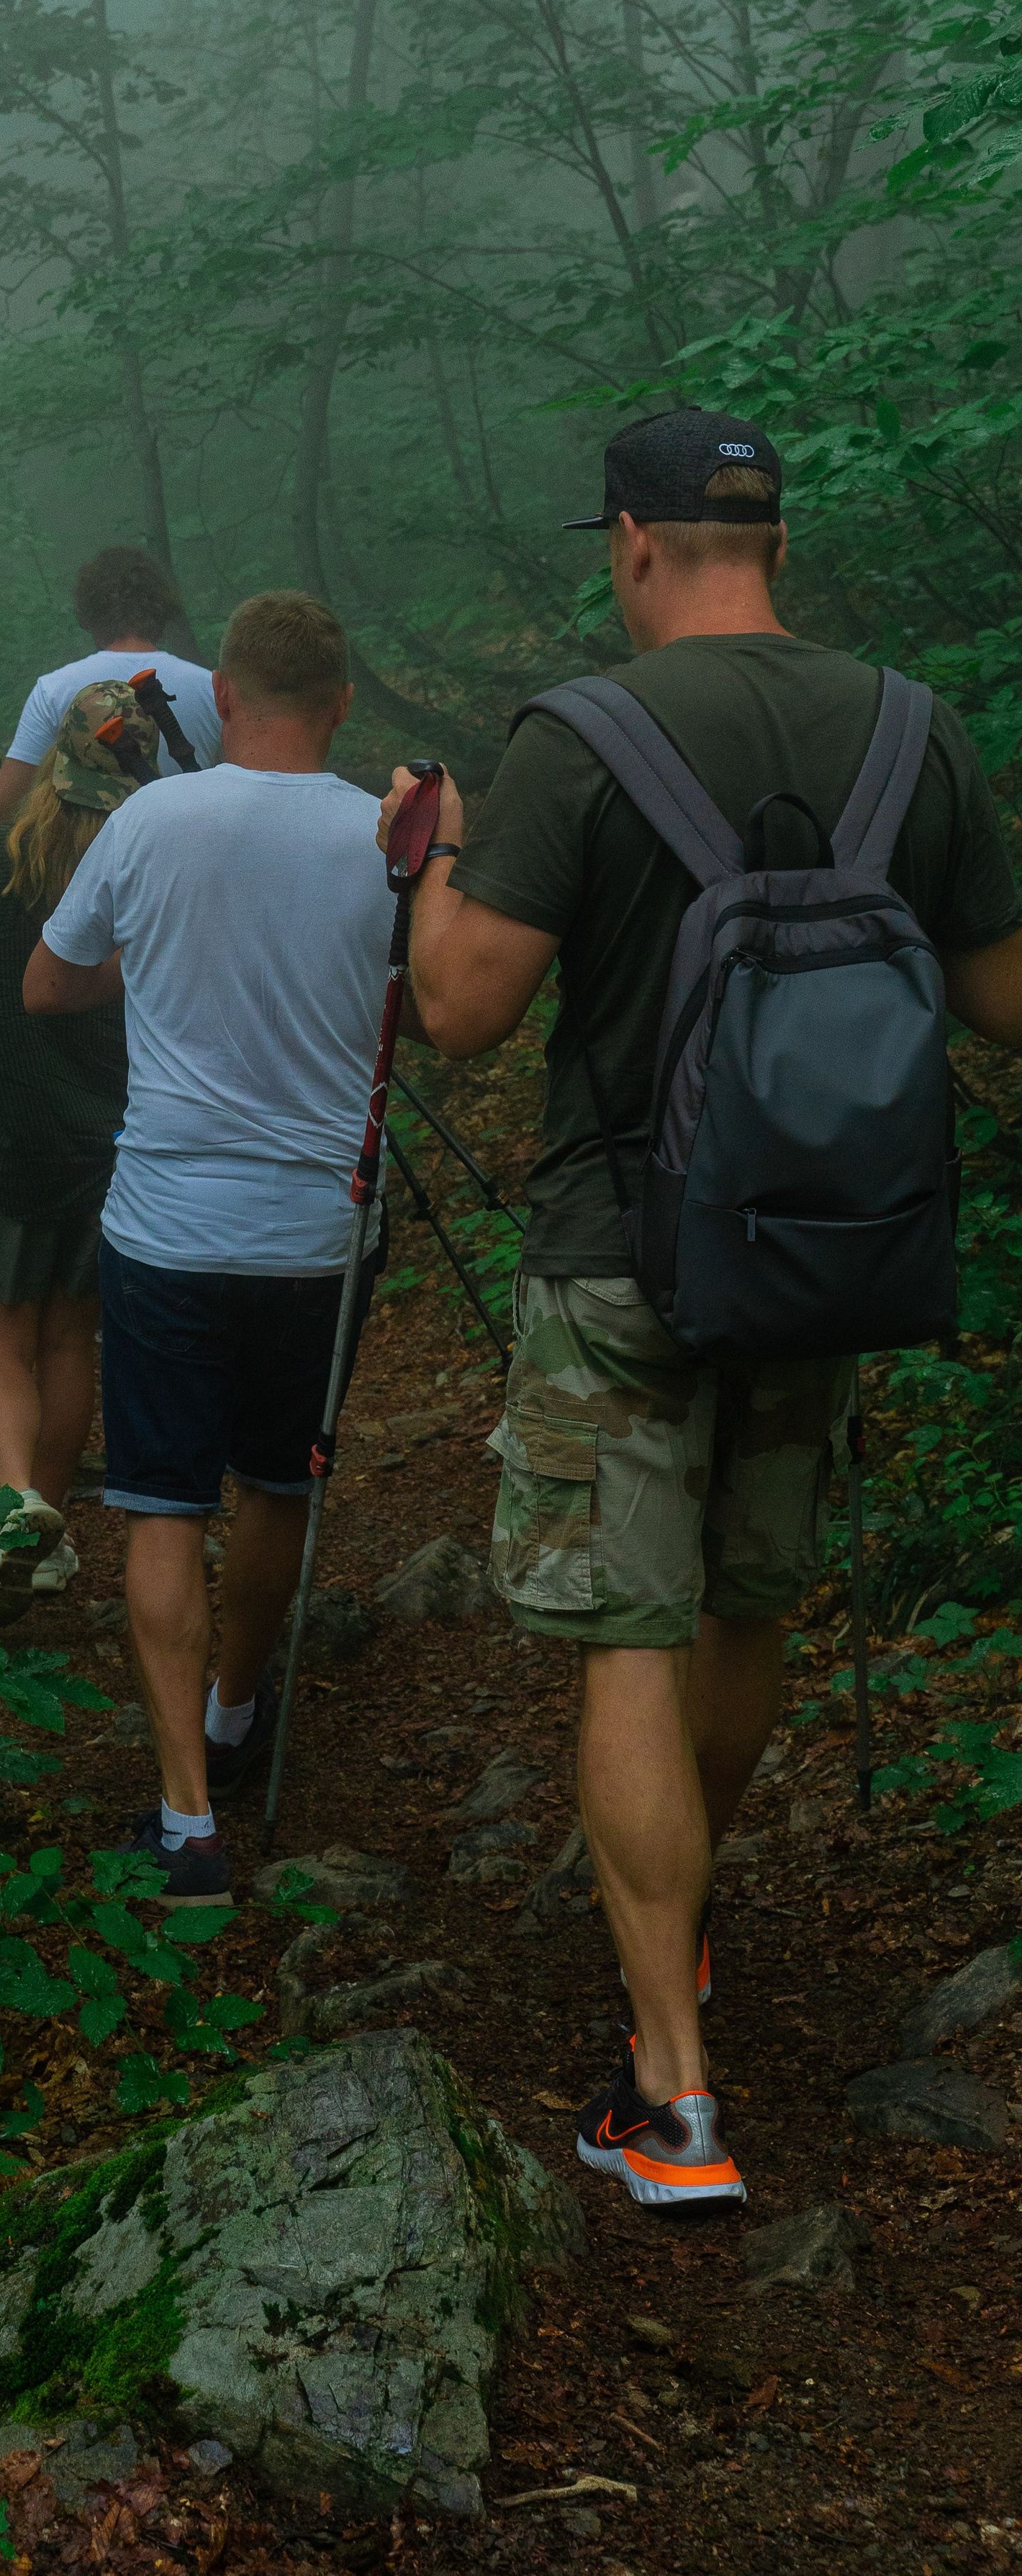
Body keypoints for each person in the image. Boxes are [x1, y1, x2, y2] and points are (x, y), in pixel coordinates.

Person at [381, 404, 1022, 2211]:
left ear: (634, 545)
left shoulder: (578, 739)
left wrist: (425, 862)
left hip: (617, 1250)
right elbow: (1000, 996)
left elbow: (459, 1012)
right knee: (741, 1598)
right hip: (826, 1246)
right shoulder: (913, 725)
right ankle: (684, 1913)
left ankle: (671, 2094)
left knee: (623, 1632)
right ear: (771, 542)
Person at [23, 591, 396, 1909]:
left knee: (164, 1504)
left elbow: (48, 983)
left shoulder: (147, 820)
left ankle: (187, 1822)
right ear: (341, 703)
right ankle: (238, 1712)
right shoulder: (382, 837)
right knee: (277, 1484)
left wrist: (160, 964)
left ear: (225, 696)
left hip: (171, 1225)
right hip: (320, 1232)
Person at [0, 686, 141, 1623]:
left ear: (51, 763)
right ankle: (50, 1536)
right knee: (68, 1336)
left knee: (0, 1335)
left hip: (5, 1143)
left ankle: (18, 1512)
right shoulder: (143, 864)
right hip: (105, 1144)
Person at [0, 545, 220, 825]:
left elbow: (5, 807)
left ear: (91, 611)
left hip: (84, 863)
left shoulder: (54, 690)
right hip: (187, 859)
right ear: (160, 608)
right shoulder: (211, 688)